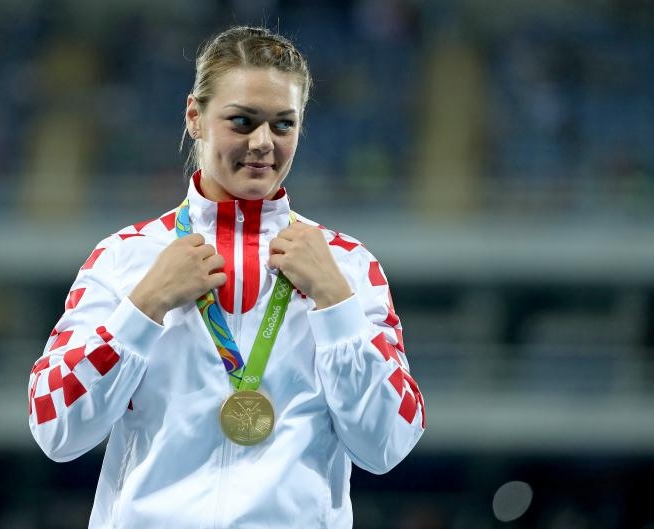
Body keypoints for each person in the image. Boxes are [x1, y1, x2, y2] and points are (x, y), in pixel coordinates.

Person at [28, 25, 425, 529]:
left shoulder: (347, 265)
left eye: (283, 125)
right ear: (195, 116)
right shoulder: (124, 259)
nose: (263, 143)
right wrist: (144, 304)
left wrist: (336, 302)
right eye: (242, 121)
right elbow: (54, 430)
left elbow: (387, 443)